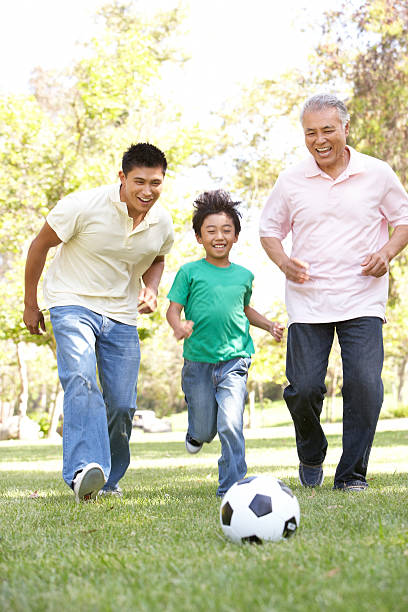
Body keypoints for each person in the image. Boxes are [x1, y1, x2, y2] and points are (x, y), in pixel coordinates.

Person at [259, 93, 408, 491]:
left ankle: (351, 474)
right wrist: (284, 262)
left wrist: (387, 252)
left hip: (363, 298)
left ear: (345, 128)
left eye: (327, 130)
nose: (319, 139)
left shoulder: (376, 173)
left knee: (365, 384)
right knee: (304, 388)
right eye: (310, 132)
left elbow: (403, 220)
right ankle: (311, 452)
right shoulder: (292, 180)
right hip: (308, 301)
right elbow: (269, 231)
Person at [23, 143, 174, 502]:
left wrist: (151, 289)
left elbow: (158, 257)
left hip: (121, 315)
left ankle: (108, 479)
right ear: (122, 177)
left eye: (156, 183)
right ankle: (82, 471)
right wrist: (31, 303)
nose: (147, 191)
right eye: (139, 181)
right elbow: (38, 246)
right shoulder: (81, 206)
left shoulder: (161, 221)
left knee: (122, 404)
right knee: (80, 378)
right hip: (71, 302)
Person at [166, 190, 284, 497]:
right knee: (206, 429)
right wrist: (179, 327)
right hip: (198, 362)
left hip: (235, 359)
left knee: (231, 423)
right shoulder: (189, 272)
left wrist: (269, 324)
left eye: (226, 230)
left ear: (235, 236)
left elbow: (243, 310)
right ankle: (196, 432)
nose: (219, 236)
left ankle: (232, 487)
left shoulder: (244, 275)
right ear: (198, 237)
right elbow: (173, 309)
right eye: (211, 230)